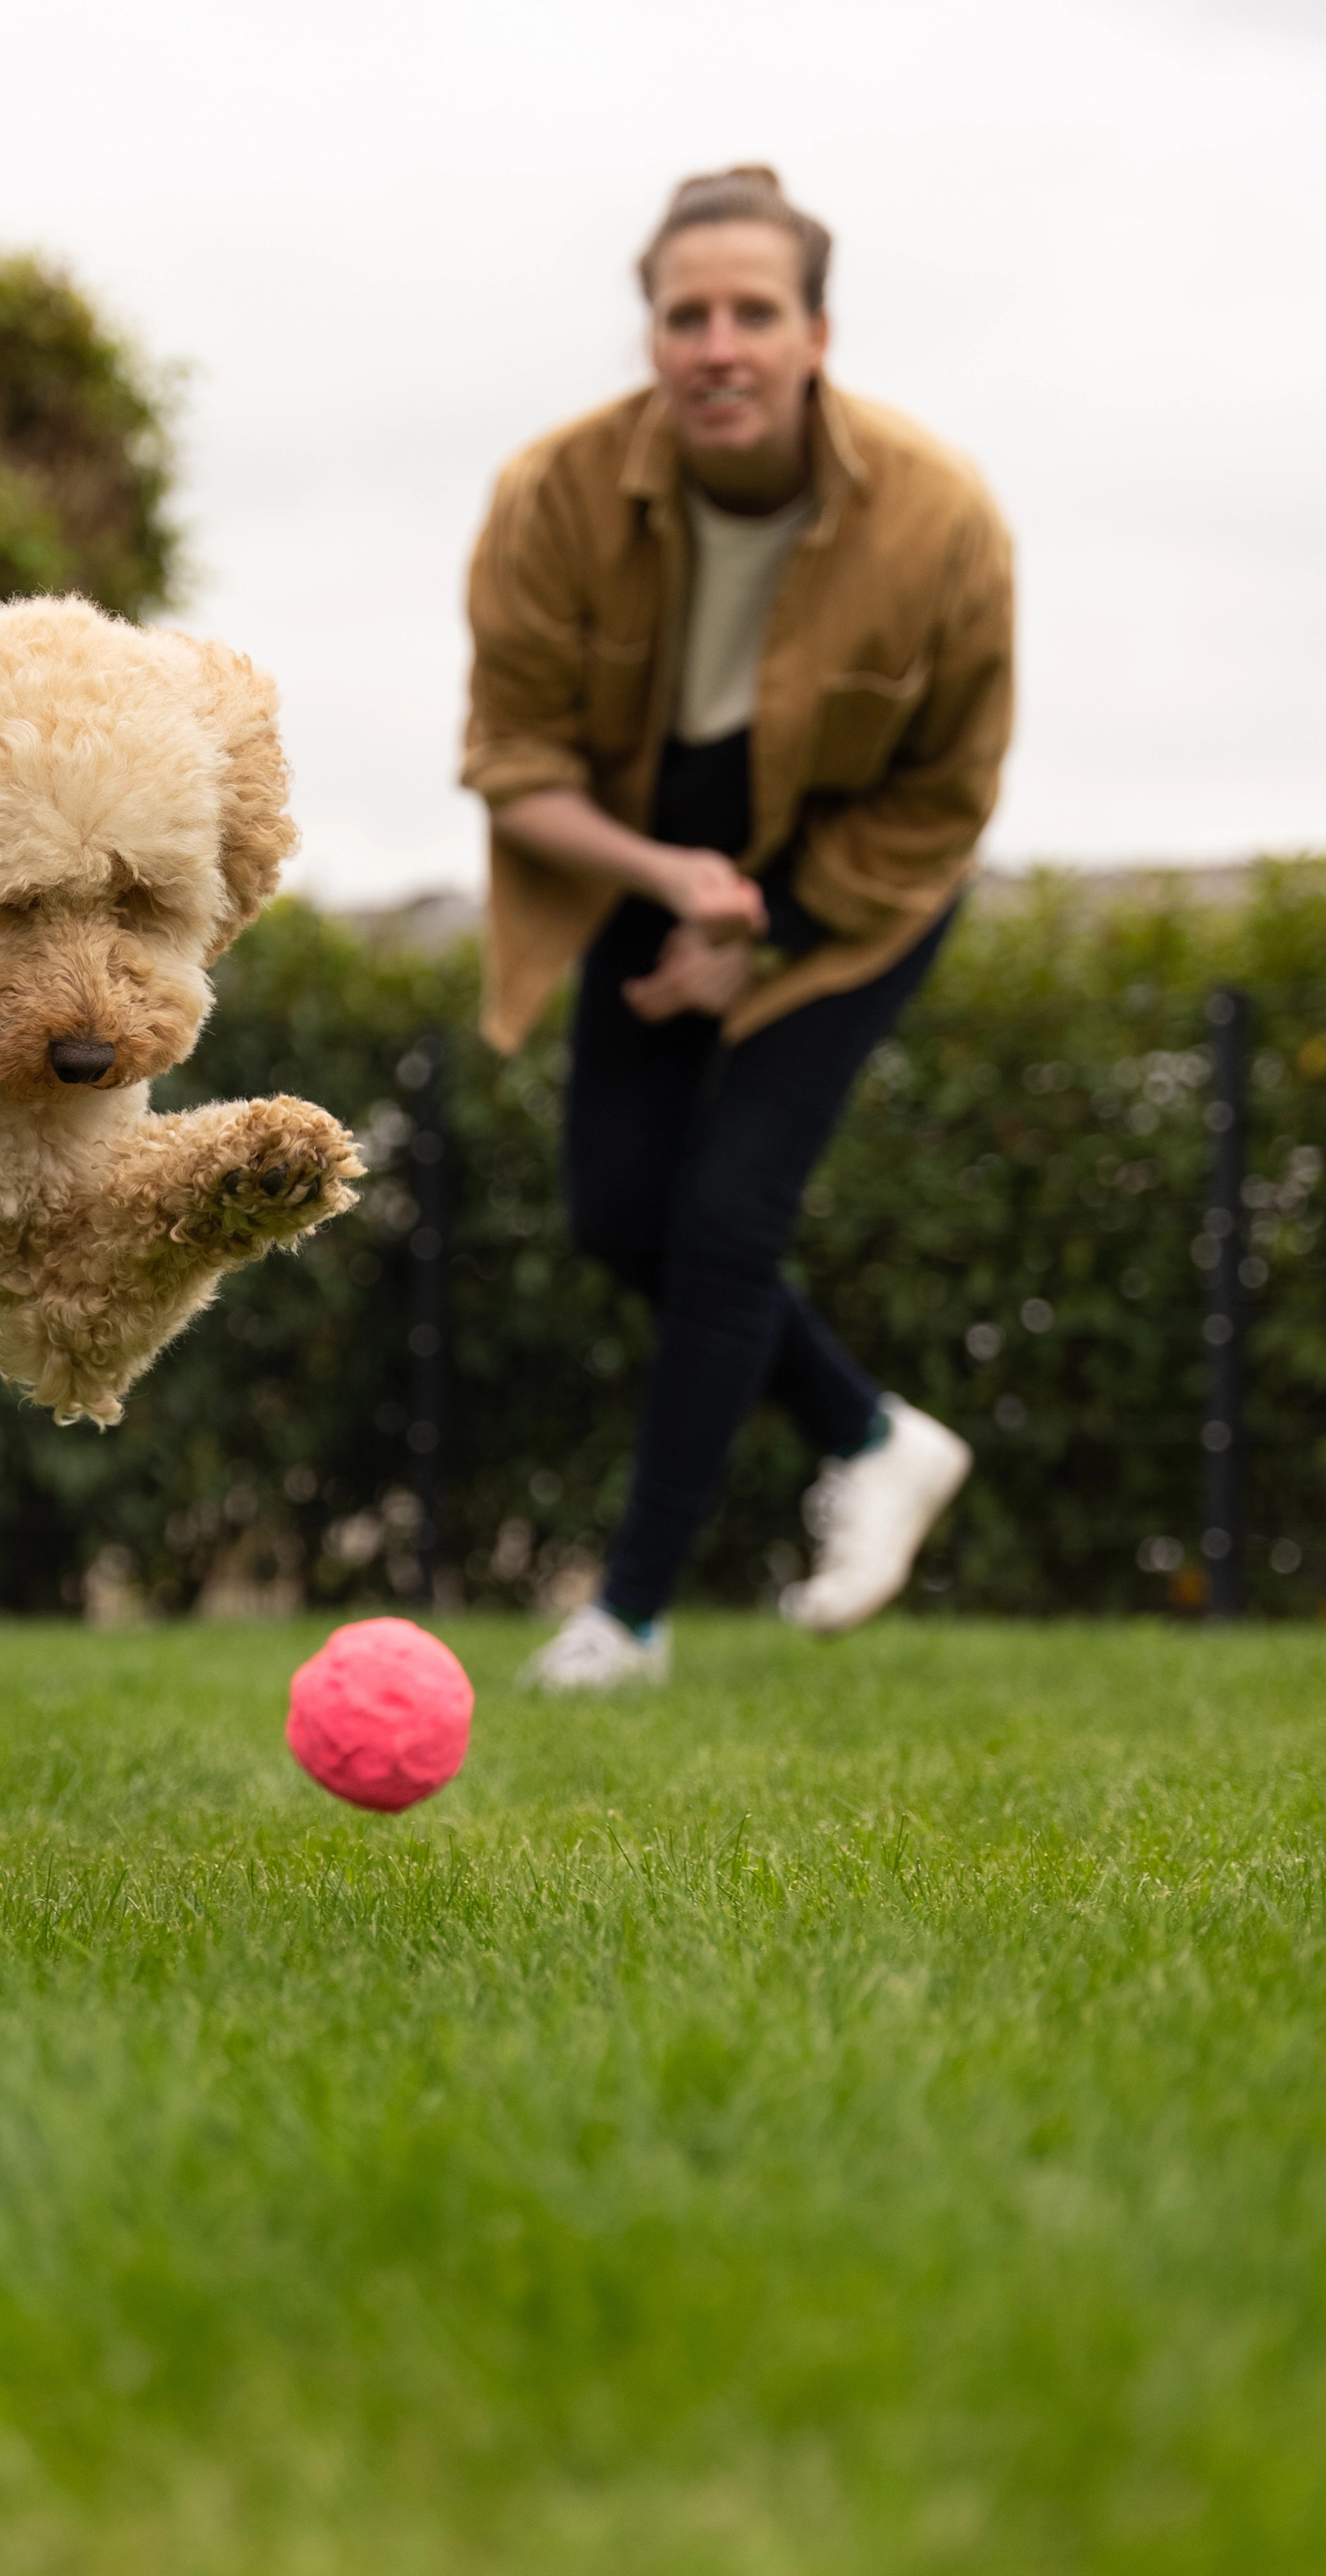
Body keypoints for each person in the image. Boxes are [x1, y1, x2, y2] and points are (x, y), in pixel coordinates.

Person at [461, 164, 1014, 1693]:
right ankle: (875, 1433)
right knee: (618, 1217)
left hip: (853, 892)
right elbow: (511, 768)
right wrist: (671, 884)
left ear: (815, 335)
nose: (718, 344)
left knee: (725, 1221)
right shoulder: (551, 496)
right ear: (650, 336)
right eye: (684, 313)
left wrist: (767, 930)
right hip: (652, 861)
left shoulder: (941, 516)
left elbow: (951, 790)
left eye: (752, 313)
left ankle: (627, 1616)